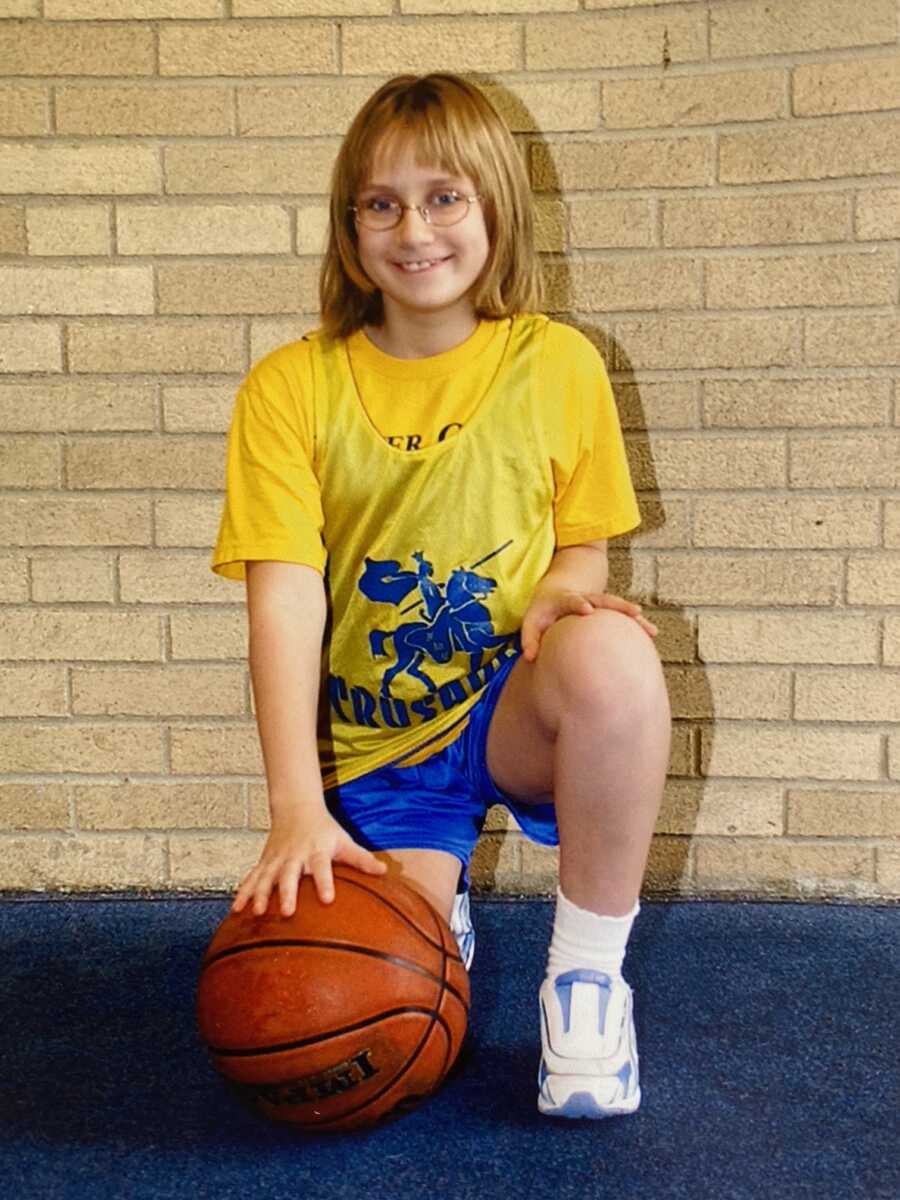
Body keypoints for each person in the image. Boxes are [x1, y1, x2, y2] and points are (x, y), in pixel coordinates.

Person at [210, 72, 671, 1120]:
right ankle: (433, 901)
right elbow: (284, 601)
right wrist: (294, 812)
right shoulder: (291, 387)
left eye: (444, 196)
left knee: (616, 658)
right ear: (349, 226)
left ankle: (587, 984)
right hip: (380, 748)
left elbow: (583, 551)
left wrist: (561, 595)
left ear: (496, 207)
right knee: (350, 993)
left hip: (507, 707)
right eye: (381, 203)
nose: (414, 228)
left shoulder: (559, 364)